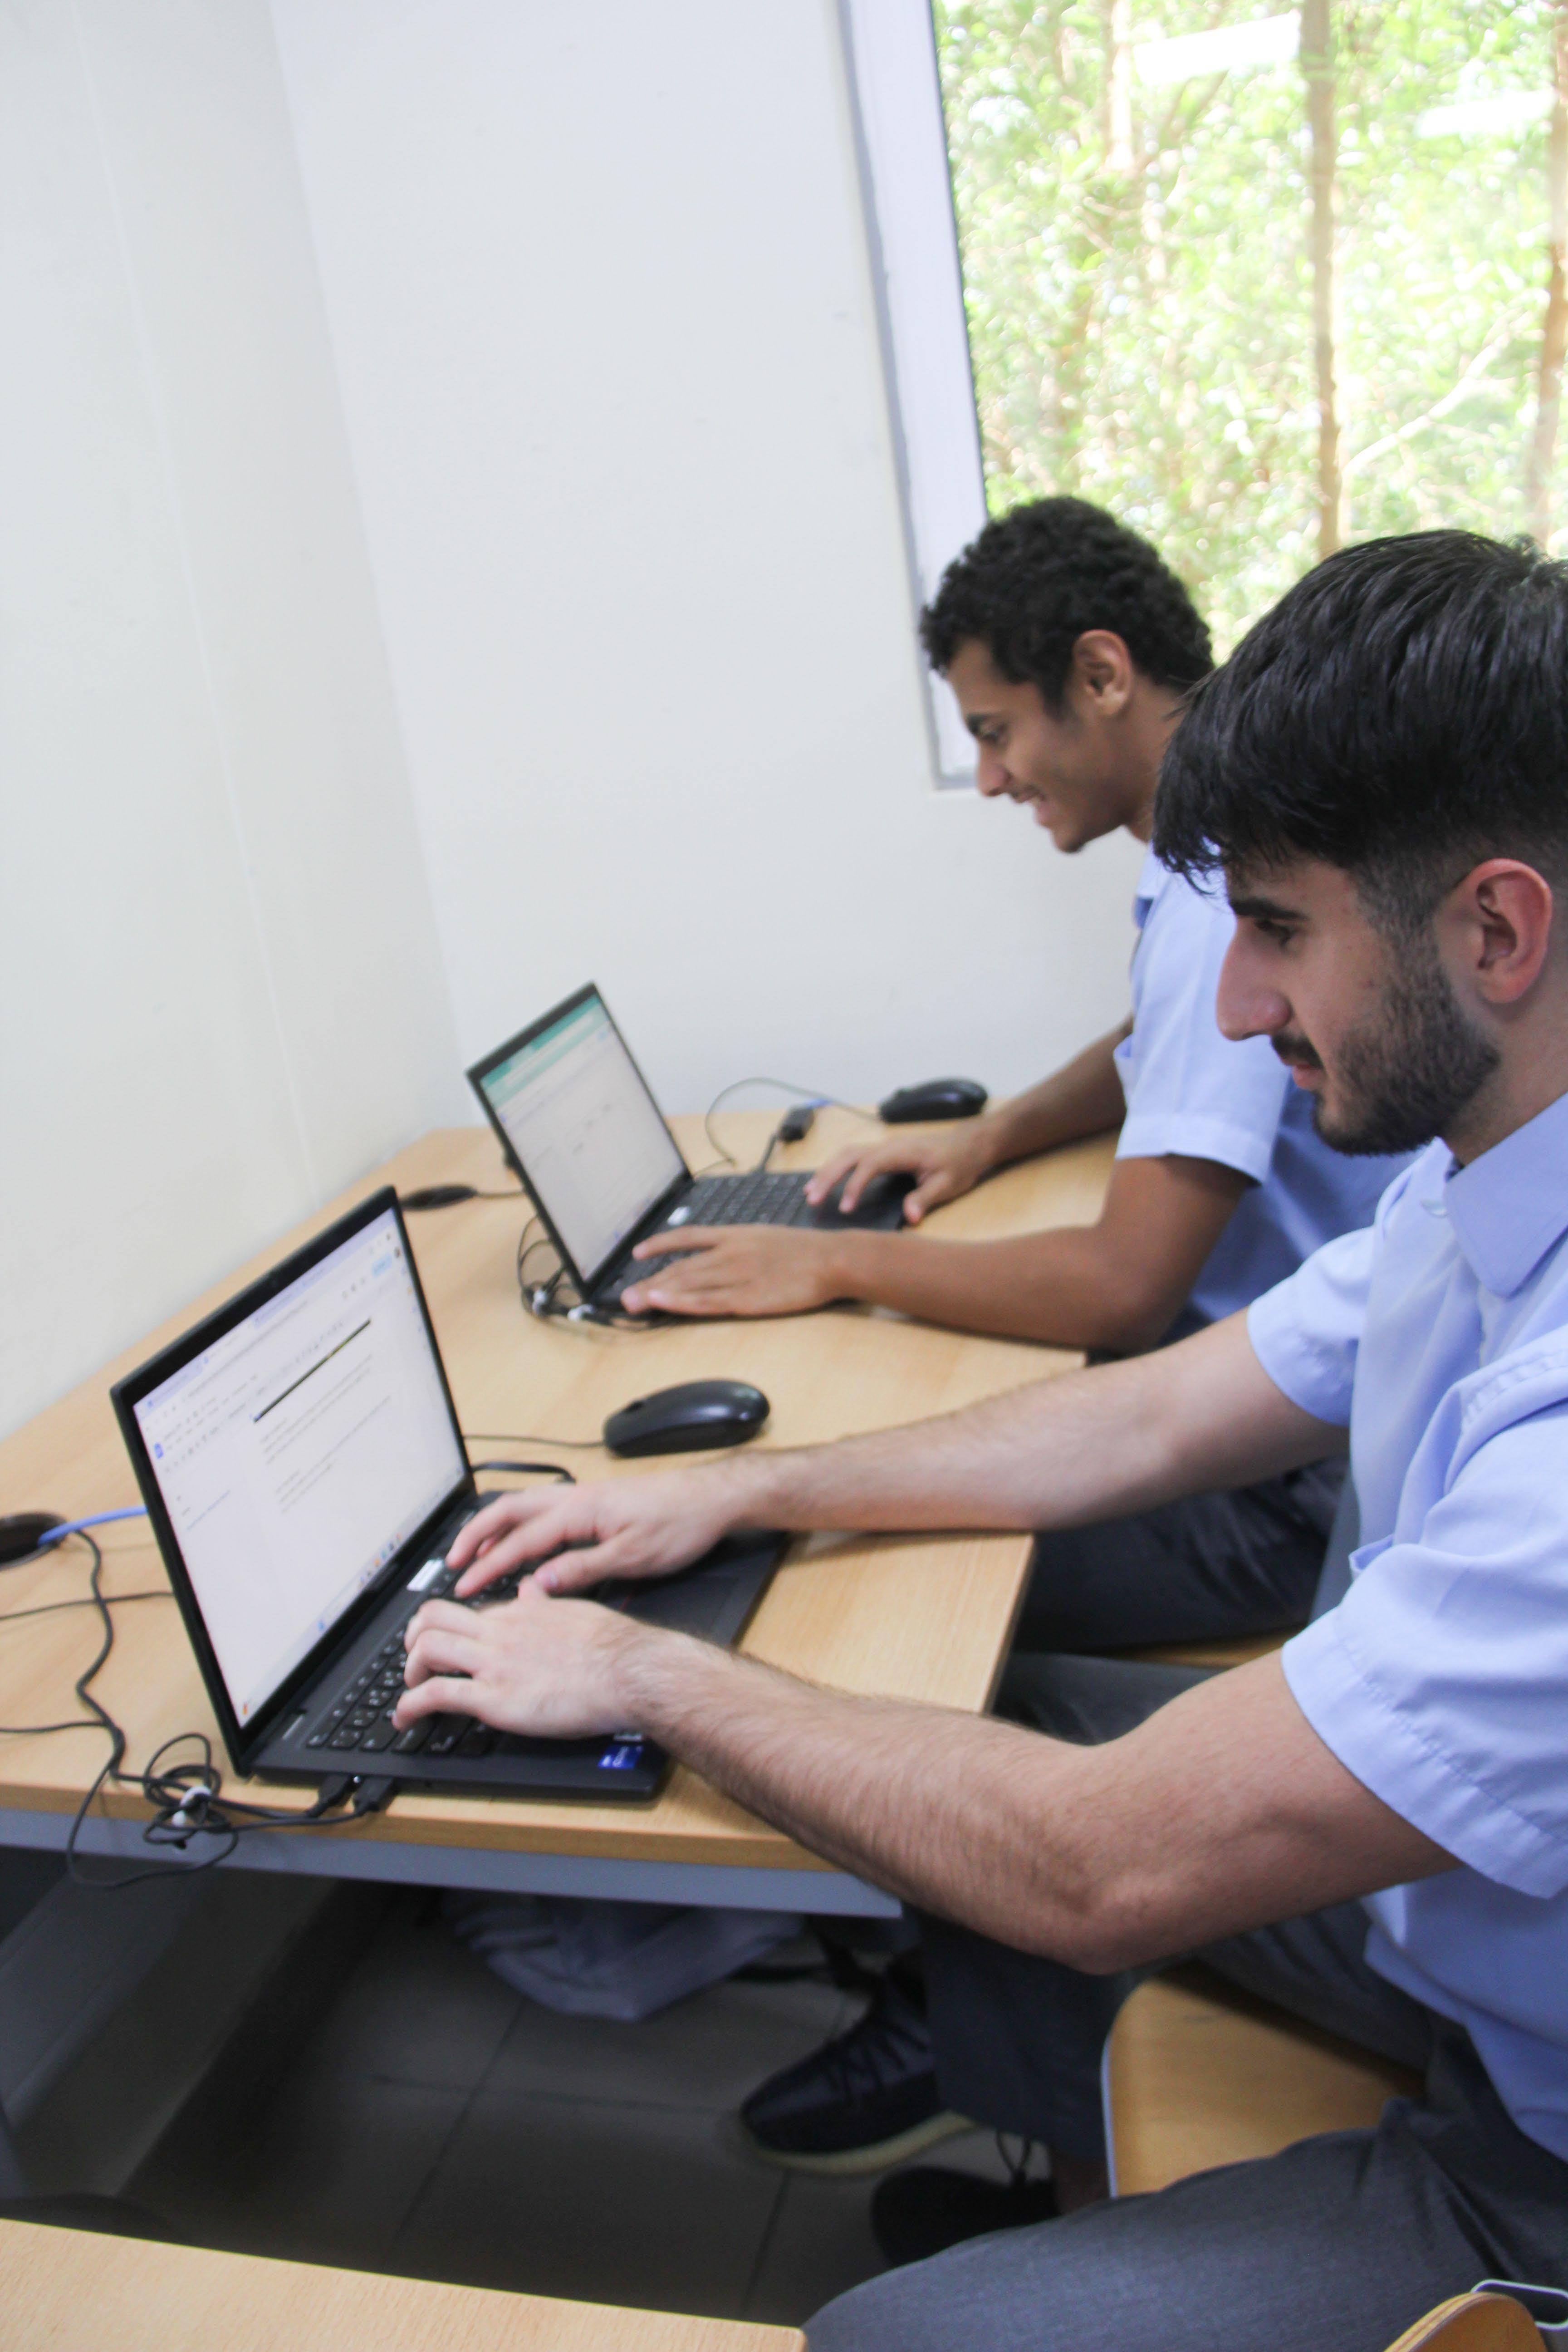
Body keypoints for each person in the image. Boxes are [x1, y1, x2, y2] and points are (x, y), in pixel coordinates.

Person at [395, 531, 1568, 2350]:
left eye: (1278, 932)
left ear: (1495, 931)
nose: (1237, 1009)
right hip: (1471, 1924)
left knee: (888, 2336)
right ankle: (1062, 2171)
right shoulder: (1473, 1174)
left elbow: (1094, 1867)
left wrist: (645, 1674)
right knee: (977, 1720)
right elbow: (1154, 1412)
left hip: (1540, 2147)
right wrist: (739, 1492)